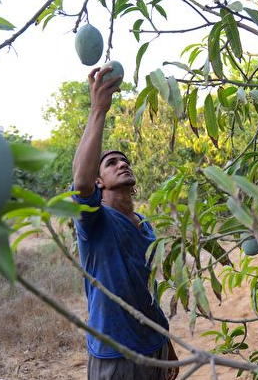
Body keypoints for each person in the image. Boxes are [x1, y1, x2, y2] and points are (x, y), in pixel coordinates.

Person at [71, 65, 179, 380]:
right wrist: (98, 109)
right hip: (115, 356)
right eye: (111, 162)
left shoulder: (146, 226)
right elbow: (80, 183)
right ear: (98, 181)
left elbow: (150, 293)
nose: (122, 164)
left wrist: (166, 341)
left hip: (154, 350)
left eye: (125, 161)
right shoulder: (94, 222)